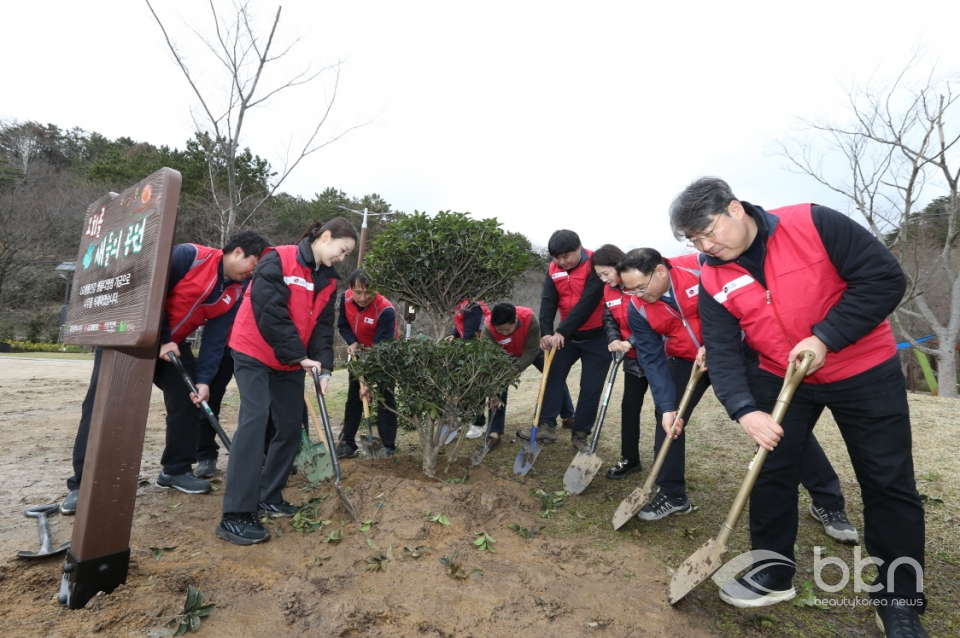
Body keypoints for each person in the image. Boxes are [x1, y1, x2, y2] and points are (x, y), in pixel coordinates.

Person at [670, 177, 926, 635]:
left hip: (862, 367)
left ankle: (899, 597)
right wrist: (745, 410)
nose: (706, 246)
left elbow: (884, 279)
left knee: (888, 482)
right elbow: (724, 352)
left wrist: (827, 335)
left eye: (709, 232)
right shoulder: (711, 275)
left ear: (734, 209)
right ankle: (773, 569)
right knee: (771, 470)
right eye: (694, 241)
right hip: (777, 372)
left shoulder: (812, 222)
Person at [618, 247, 857, 531]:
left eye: (641, 287)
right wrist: (667, 405)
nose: (637, 295)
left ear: (660, 271)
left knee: (777, 425)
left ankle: (827, 502)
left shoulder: (702, 267)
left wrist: (721, 343)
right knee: (668, 420)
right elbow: (651, 358)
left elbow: (746, 304)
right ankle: (672, 493)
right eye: (629, 290)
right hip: (687, 361)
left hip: (739, 352)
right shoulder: (637, 307)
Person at [60, 231, 269, 514]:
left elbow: (215, 338)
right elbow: (148, 292)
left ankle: (175, 469)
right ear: (238, 252)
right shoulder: (190, 257)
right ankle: (81, 484)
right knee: (101, 405)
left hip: (172, 344)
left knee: (188, 396)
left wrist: (204, 381)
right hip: (129, 336)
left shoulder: (235, 291)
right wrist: (163, 336)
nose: (253, 272)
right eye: (254, 264)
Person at [217, 218, 357, 546]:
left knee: (292, 427)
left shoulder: (328, 282)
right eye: (342, 249)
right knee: (255, 420)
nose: (342, 257)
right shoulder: (277, 259)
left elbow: (323, 328)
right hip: (253, 350)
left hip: (290, 360)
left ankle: (269, 494)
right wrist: (299, 356)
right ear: (325, 237)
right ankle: (235, 515)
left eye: (347, 254)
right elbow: (270, 311)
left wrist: (322, 369)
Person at [519, 230, 607, 451]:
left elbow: (587, 303)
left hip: (597, 335)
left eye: (565, 256)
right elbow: (548, 301)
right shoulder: (553, 269)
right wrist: (547, 333)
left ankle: (580, 433)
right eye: (556, 258)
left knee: (590, 387)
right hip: (566, 337)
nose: (561, 262)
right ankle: (546, 426)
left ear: (579, 249)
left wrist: (562, 331)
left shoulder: (595, 263)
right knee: (551, 376)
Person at [589, 245, 649, 480]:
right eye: (600, 276)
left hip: (659, 357)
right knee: (629, 408)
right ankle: (630, 459)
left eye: (605, 273)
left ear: (617, 265)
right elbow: (609, 317)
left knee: (663, 411)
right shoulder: (609, 291)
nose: (604, 279)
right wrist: (614, 338)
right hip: (632, 359)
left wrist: (631, 341)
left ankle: (666, 465)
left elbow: (655, 320)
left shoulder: (639, 284)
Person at [481, 302, 574, 449]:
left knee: (554, 376)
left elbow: (531, 351)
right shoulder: (488, 328)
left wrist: (515, 369)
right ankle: (494, 432)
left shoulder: (529, 318)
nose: (504, 333)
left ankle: (568, 415)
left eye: (508, 329)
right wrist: (499, 377)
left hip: (530, 351)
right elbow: (489, 357)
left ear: (516, 319)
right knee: (498, 385)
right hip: (503, 356)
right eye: (501, 330)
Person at [335, 269, 399, 458]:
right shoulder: (345, 299)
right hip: (358, 353)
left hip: (384, 354)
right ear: (350, 289)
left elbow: (381, 347)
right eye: (358, 292)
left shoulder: (385, 309)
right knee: (354, 396)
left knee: (384, 397)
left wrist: (370, 383)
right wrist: (351, 341)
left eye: (368, 292)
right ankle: (347, 441)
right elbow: (343, 324)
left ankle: (387, 445)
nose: (363, 297)